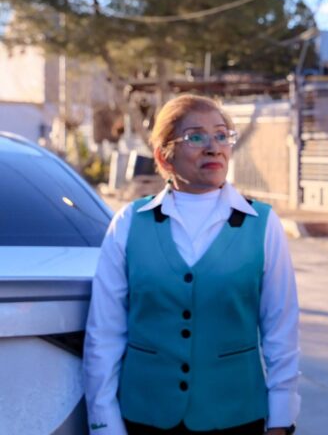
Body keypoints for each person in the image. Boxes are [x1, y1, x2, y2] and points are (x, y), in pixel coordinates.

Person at [84, 94, 299, 435]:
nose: (213, 148)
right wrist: (104, 423)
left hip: (236, 417)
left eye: (222, 135)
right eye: (196, 137)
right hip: (144, 416)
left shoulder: (263, 224)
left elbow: (280, 330)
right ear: (163, 156)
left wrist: (281, 418)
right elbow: (105, 333)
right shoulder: (129, 223)